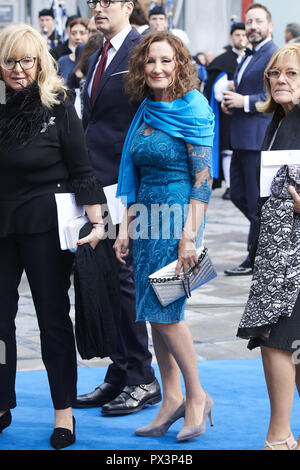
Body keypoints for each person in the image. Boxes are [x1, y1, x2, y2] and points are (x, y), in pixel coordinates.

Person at [0, 23, 107, 450]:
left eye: (28, 60)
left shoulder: (59, 105)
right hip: (2, 230)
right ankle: (1, 403)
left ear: (41, 62)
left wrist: (99, 223)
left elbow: (82, 169)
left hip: (47, 227)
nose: (19, 69)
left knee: (52, 321)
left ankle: (64, 411)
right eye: (11, 61)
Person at [114, 31, 215, 442]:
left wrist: (189, 236)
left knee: (167, 313)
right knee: (153, 314)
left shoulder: (194, 108)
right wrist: (123, 229)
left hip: (177, 221)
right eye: (149, 61)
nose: (156, 68)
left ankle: (197, 397)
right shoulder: (145, 110)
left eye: (166, 61)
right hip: (144, 222)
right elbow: (131, 172)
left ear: (180, 65)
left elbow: (203, 182)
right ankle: (170, 397)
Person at [74, 0, 161, 415]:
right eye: (93, 2)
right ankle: (120, 370)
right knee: (107, 280)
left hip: (130, 185)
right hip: (97, 182)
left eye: (107, 1)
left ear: (130, 6)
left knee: (127, 282)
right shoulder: (97, 52)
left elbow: (157, 115)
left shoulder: (145, 49)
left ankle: (143, 377)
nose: (97, 7)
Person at [237, 43, 300, 451]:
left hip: (293, 257)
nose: (280, 79)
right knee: (288, 342)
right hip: (277, 251)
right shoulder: (280, 119)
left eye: (291, 74)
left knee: (279, 339)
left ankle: (279, 438)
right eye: (274, 74)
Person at [222, 3, 277, 276]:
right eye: (249, 22)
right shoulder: (247, 53)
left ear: (270, 26)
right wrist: (232, 100)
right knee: (239, 196)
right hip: (240, 136)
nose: (253, 26)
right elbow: (247, 87)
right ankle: (265, 239)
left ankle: (254, 258)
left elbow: (275, 95)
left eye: (258, 21)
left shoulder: (274, 53)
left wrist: (243, 101)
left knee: (255, 201)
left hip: (257, 137)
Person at [205, 22, 246, 200]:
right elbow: (214, 88)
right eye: (237, 35)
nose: (241, 38)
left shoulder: (251, 58)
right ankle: (230, 185)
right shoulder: (222, 61)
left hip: (247, 111)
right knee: (227, 148)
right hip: (227, 112)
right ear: (231, 37)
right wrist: (226, 85)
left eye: (243, 35)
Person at [58, 18, 89, 83]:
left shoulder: (96, 60)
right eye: (73, 33)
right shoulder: (62, 61)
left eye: (82, 33)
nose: (77, 37)